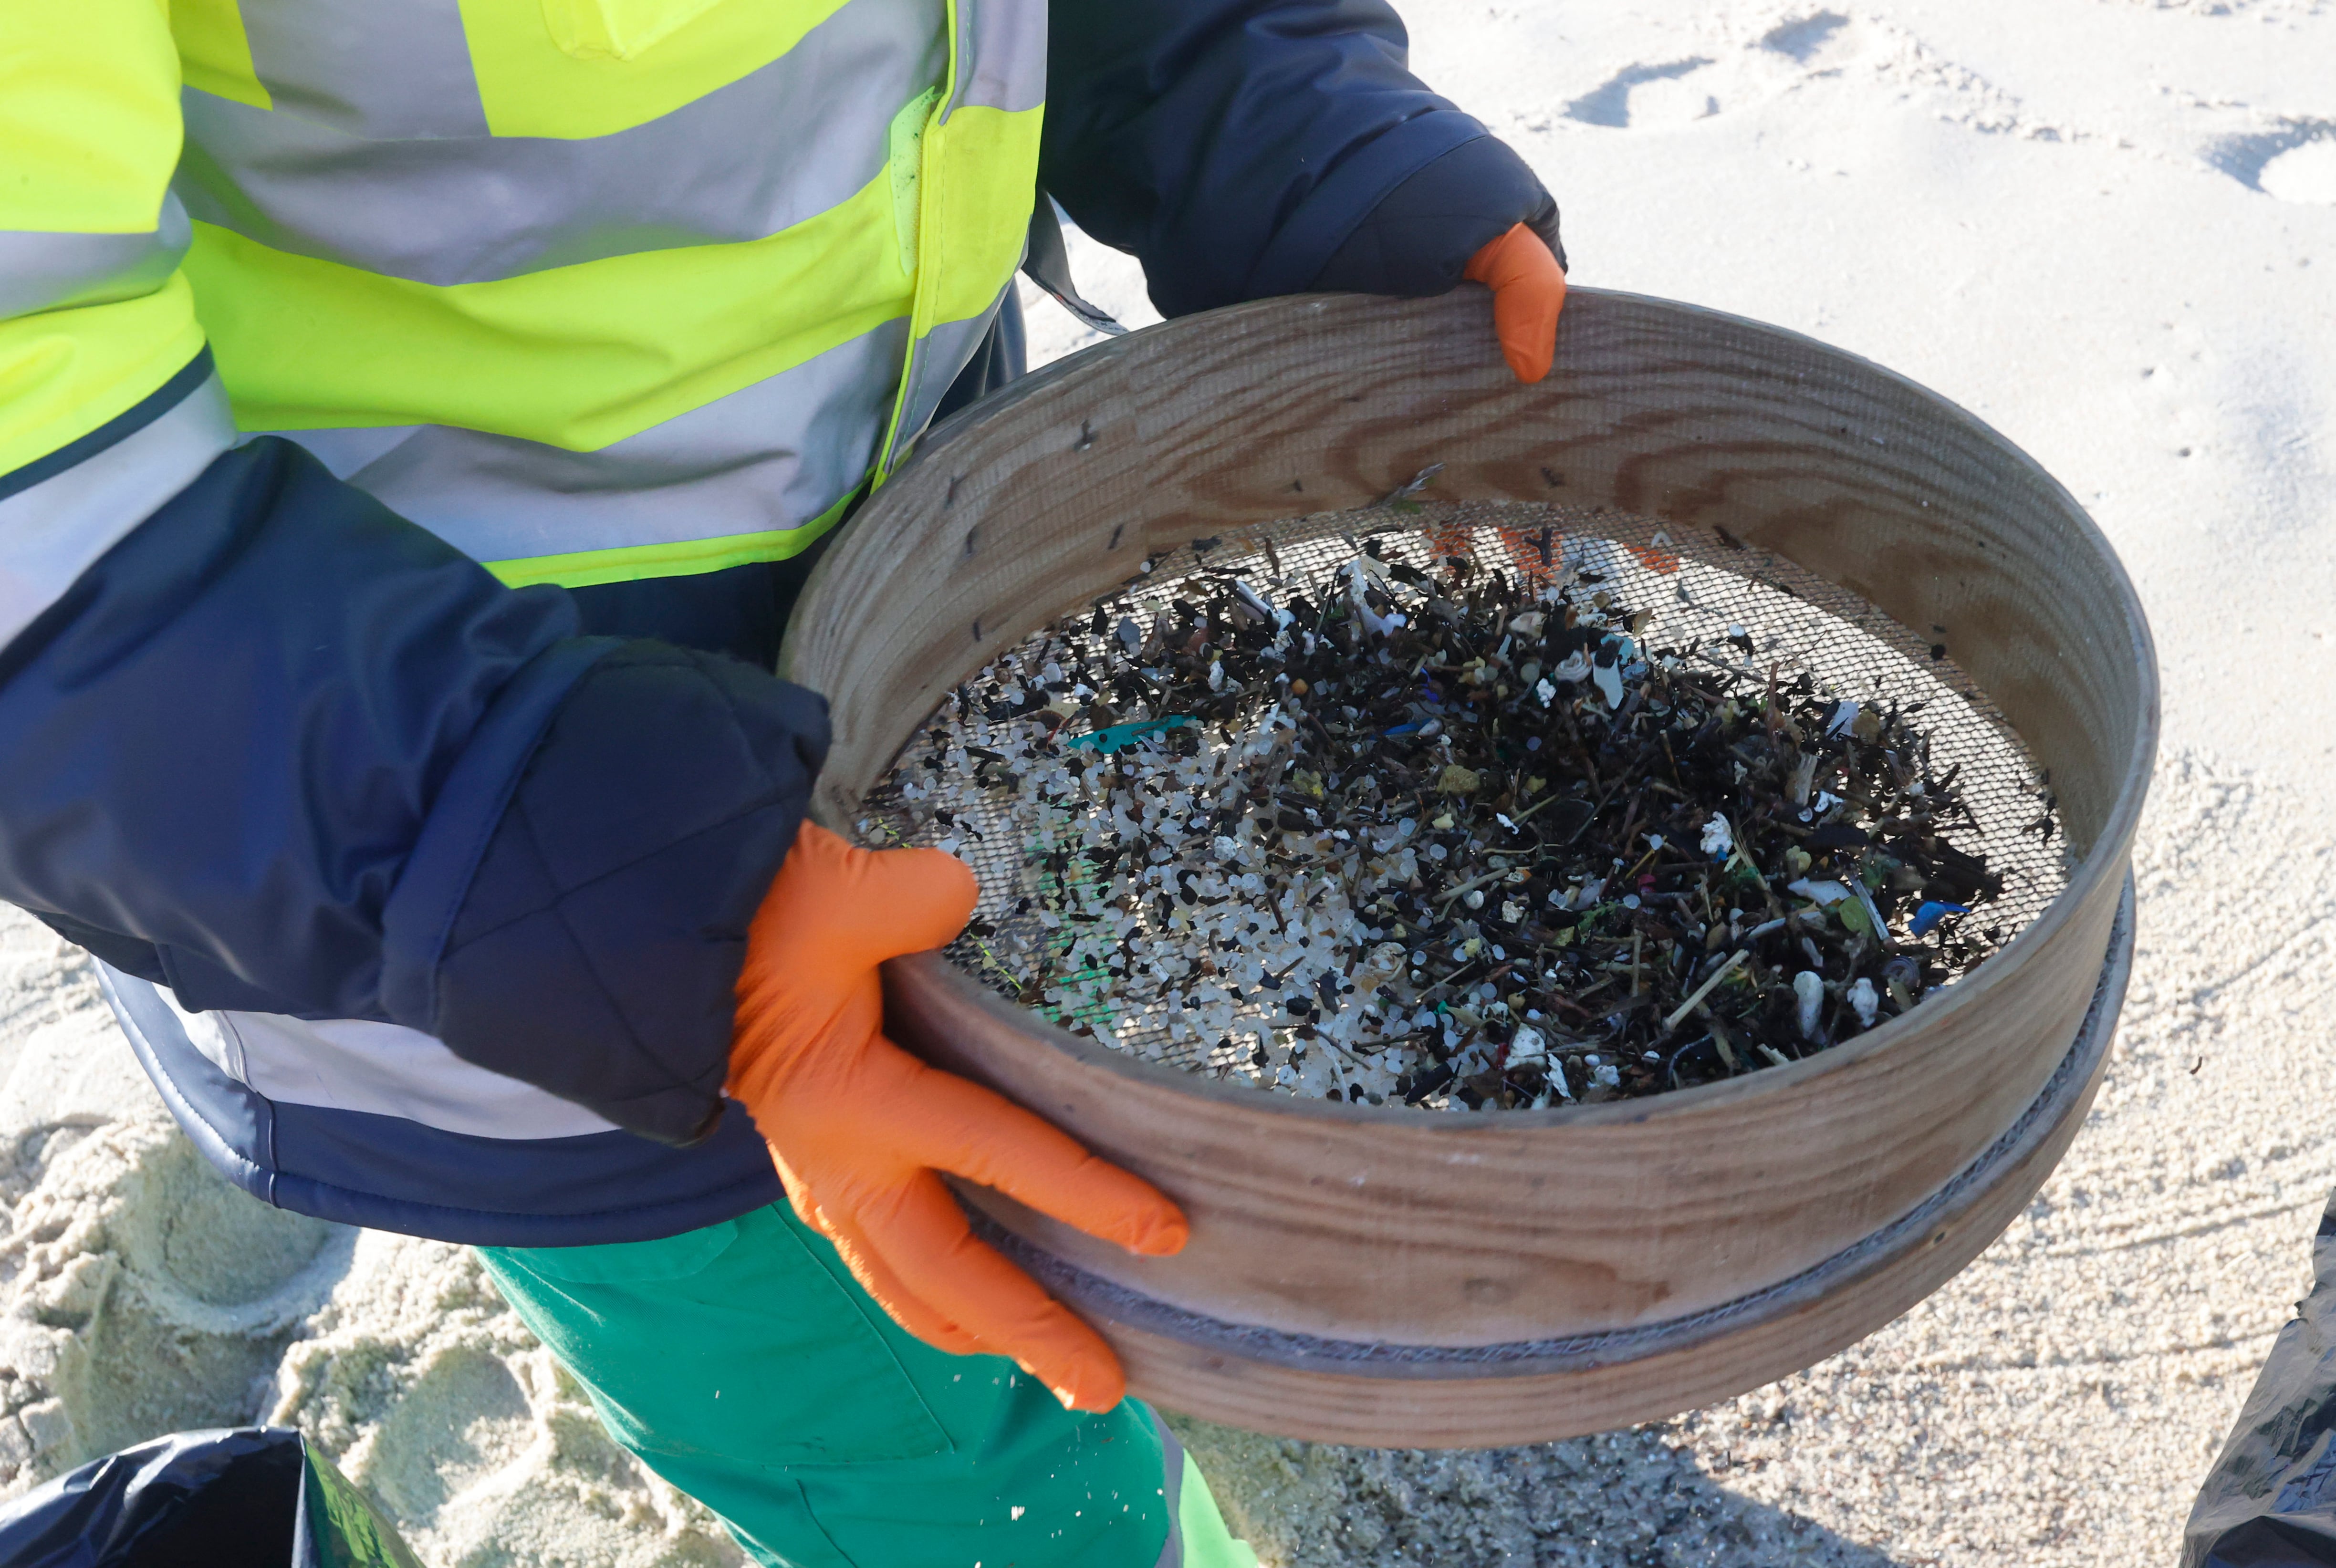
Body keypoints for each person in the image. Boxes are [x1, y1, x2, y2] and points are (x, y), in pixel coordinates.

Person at [0, 0, 1564, 1561]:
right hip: (503, 918)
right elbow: (44, 549)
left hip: (941, 605)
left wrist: (1295, 137)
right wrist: (620, 897)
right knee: (990, 1494)